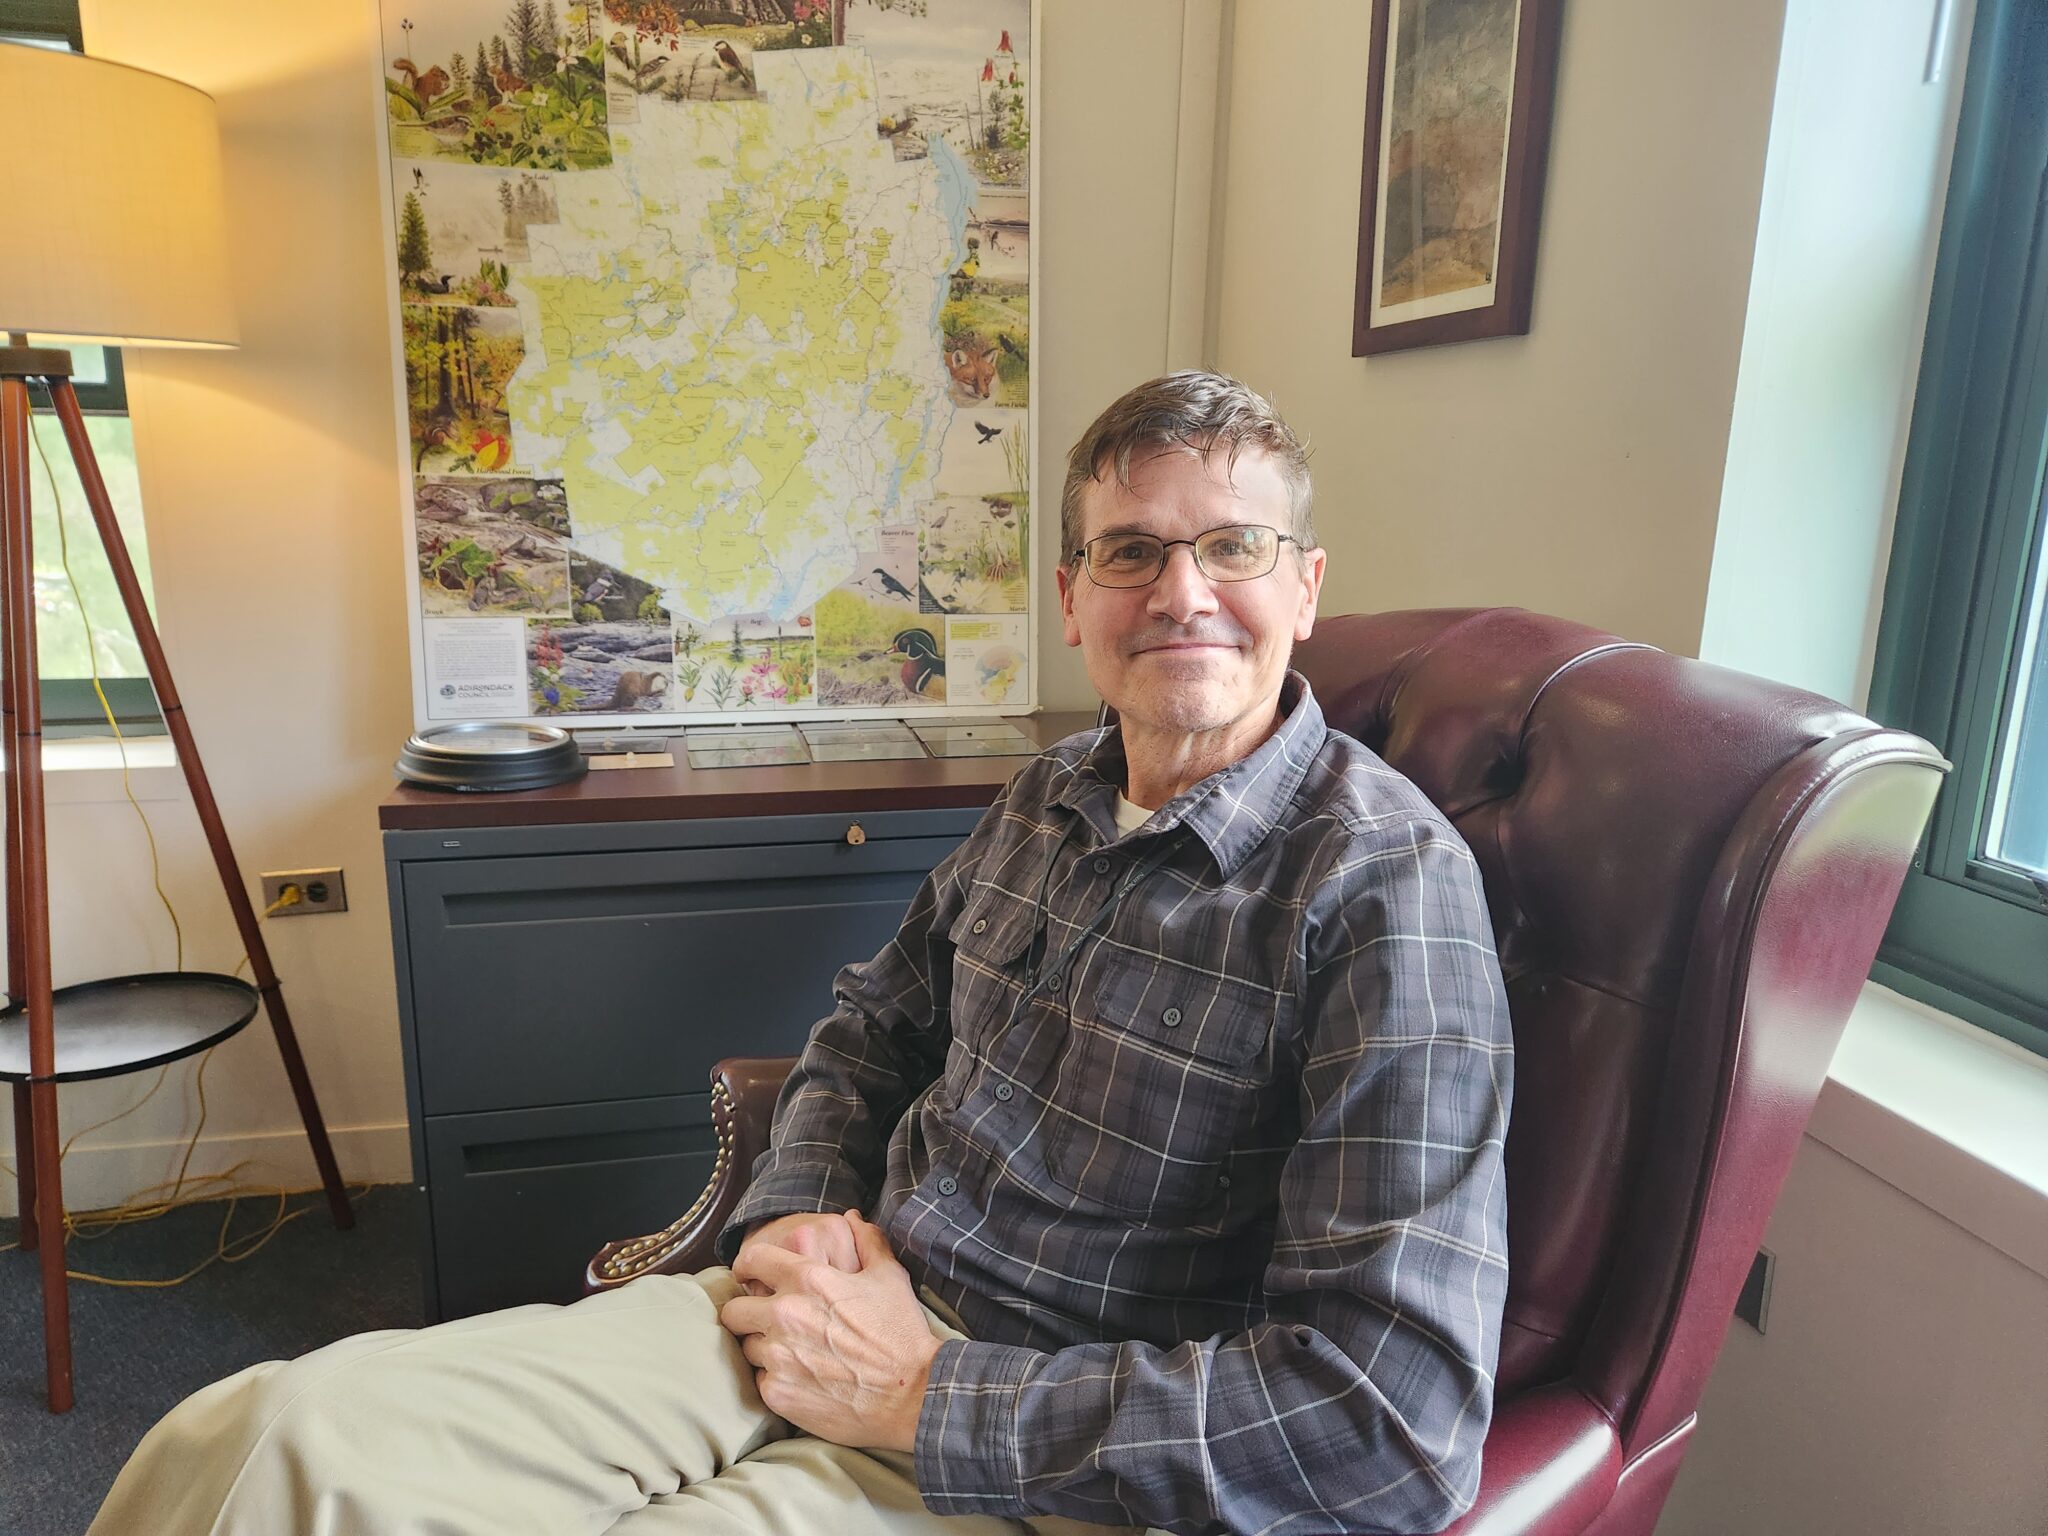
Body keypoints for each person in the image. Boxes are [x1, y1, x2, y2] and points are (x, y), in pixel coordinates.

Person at [92, 372, 1513, 1536]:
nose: (1181, 593)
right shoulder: (1049, 793)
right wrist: (800, 1214)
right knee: (267, 1436)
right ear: (1075, 597)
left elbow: (1389, 1423)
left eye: (1232, 546)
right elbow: (871, 1025)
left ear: (1306, 586)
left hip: (1034, 1451)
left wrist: (919, 1396)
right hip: (820, 1303)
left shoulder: (1383, 892)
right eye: (1133, 551)